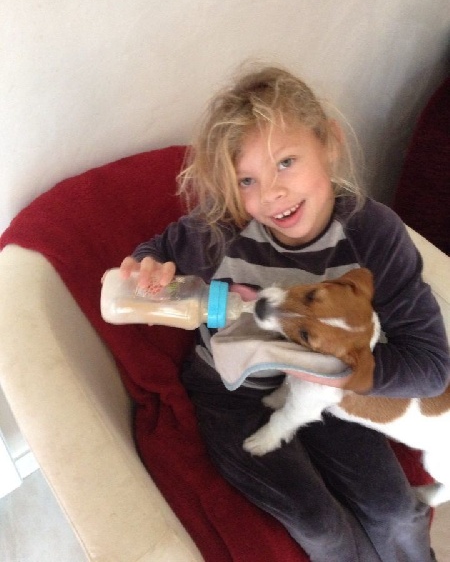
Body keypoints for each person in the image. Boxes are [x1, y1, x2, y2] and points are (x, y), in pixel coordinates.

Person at [120, 65, 449, 561]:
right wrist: (149, 267)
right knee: (322, 528)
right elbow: (158, 250)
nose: (270, 193)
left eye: (287, 162)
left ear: (329, 144)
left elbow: (431, 366)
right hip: (231, 393)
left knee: (396, 513)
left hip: (330, 398)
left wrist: (342, 373)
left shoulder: (373, 234)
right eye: (247, 180)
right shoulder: (220, 229)